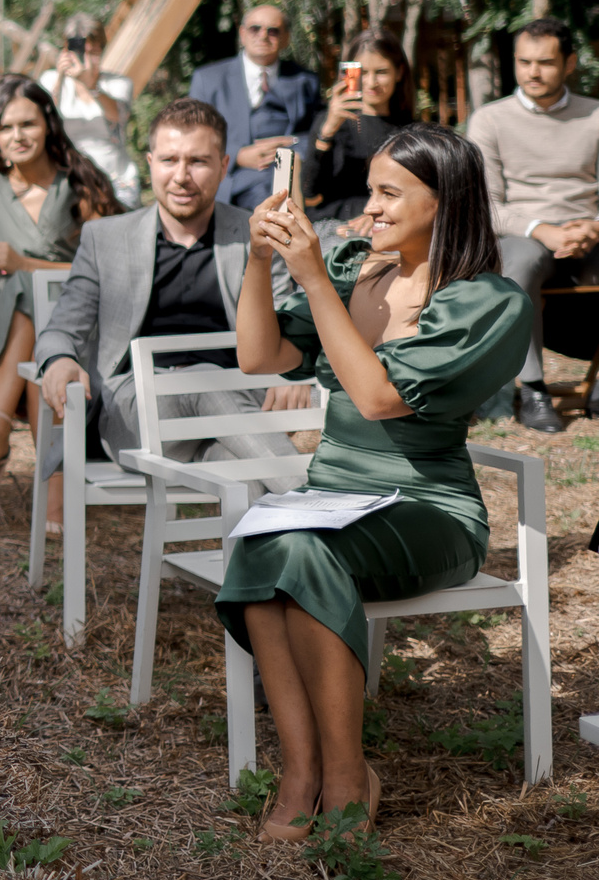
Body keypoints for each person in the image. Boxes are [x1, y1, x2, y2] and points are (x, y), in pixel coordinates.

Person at [223, 126, 527, 840]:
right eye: (372, 190)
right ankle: (304, 773)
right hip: (334, 500)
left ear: (444, 200)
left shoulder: (490, 302)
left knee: (300, 549)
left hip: (429, 510)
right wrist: (258, 258)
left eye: (391, 193)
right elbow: (259, 355)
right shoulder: (358, 267)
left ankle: (348, 774)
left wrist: (312, 279)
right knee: (262, 549)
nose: (373, 207)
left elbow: (381, 398)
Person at [32, 99, 309, 535]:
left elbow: (287, 319)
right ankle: (320, 502)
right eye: (169, 160)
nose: (181, 176)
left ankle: (259, 595)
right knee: (203, 381)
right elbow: (62, 327)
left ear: (222, 165)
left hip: (232, 418)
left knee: (252, 479)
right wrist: (59, 360)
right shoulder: (106, 238)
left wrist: (288, 378)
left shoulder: (253, 233)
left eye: (197, 161)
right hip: (136, 409)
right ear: (149, 164)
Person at [0, 74, 122, 484]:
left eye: (28, 124)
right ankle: (54, 489)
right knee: (34, 326)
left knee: (33, 303)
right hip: (10, 332)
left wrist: (24, 264)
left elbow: (113, 273)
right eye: (4, 127)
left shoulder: (79, 183)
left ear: (49, 125)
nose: (16, 136)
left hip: (84, 327)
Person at [465, 16, 599, 434]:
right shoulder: (490, 120)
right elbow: (484, 205)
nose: (533, 72)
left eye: (544, 62)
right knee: (516, 265)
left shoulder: (595, 116)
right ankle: (535, 389)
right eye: (524, 62)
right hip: (523, 232)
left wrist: (593, 226)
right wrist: (542, 228)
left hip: (589, 231)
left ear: (570, 63)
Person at [188, 3, 321, 210]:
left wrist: (290, 147)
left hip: (288, 178)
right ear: (242, 34)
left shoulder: (304, 80)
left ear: (286, 38)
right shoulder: (208, 80)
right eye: (254, 28)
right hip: (229, 180)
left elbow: (316, 132)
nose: (263, 35)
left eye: (273, 31)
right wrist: (237, 155)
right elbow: (193, 135)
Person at [307, 29, 418, 229]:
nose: (372, 83)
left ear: (399, 73)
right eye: (363, 73)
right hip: (336, 224)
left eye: (381, 72)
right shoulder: (330, 123)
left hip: (392, 223)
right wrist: (327, 132)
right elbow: (310, 194)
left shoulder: (410, 129)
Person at [37, 14, 140, 207]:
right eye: (79, 51)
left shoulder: (118, 84)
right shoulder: (50, 81)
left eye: (93, 52)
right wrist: (60, 78)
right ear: (66, 51)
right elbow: (42, 117)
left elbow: (118, 115)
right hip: (69, 180)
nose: (85, 59)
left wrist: (90, 85)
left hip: (117, 180)